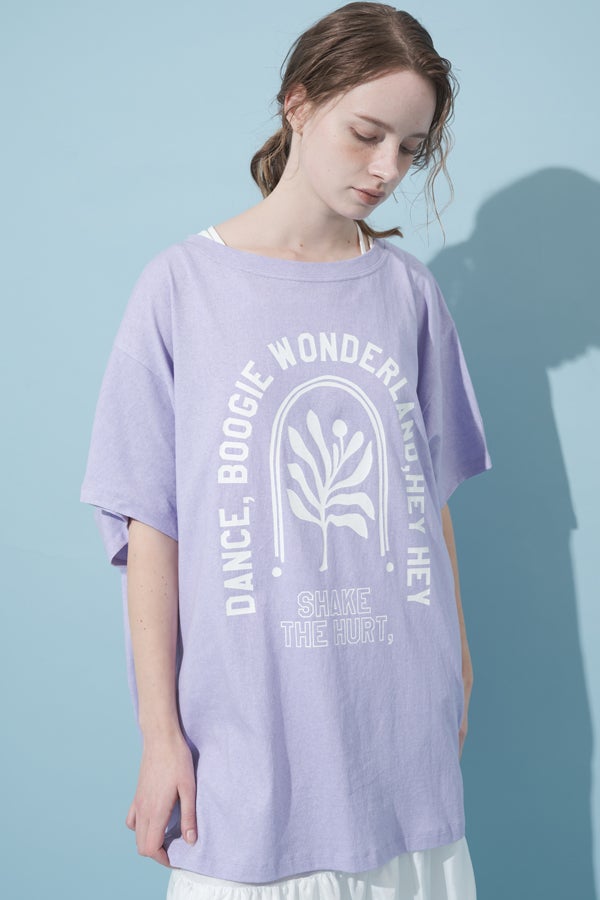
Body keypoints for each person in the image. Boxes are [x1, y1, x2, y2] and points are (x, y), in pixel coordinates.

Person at [79, 3, 493, 899]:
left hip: (403, 736)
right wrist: (161, 737)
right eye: (366, 134)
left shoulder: (408, 293)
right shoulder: (182, 286)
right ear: (298, 104)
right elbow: (151, 527)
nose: (386, 169)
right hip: (252, 751)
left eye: (411, 149)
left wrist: (457, 664)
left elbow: (426, 501)